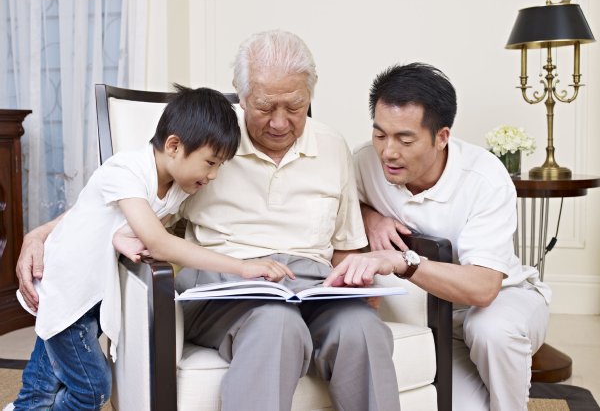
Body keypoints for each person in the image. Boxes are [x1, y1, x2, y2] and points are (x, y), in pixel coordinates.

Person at [15, 30, 400, 411]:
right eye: (265, 107)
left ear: (310, 95)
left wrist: (359, 285)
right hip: (227, 294)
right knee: (277, 325)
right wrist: (42, 233)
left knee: (363, 329)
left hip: (312, 286)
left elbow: (348, 246)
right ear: (241, 94)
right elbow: (119, 197)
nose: (280, 122)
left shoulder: (332, 147)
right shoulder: (208, 146)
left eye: (295, 107)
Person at [8, 85, 293, 411]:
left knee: (44, 382)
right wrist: (242, 267)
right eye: (210, 163)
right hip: (66, 292)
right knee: (93, 390)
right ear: (174, 145)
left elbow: (134, 223)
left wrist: (124, 235)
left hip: (95, 296)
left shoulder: (177, 188)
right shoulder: (125, 170)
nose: (213, 176)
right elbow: (158, 241)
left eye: (220, 167)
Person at [324, 62, 552, 411]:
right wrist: (369, 216)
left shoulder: (484, 178)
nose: (388, 152)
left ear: (442, 136)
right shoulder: (364, 163)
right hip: (432, 317)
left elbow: (483, 288)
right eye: (380, 134)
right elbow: (335, 212)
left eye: (405, 139)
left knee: (491, 331)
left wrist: (403, 261)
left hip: (503, 301)